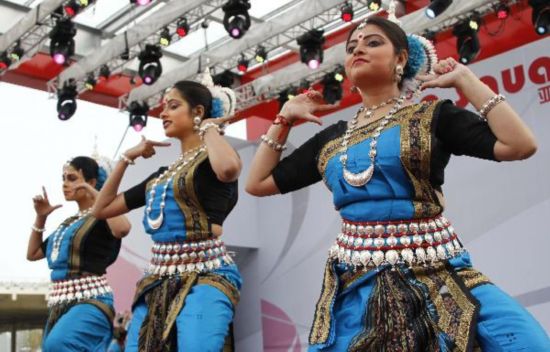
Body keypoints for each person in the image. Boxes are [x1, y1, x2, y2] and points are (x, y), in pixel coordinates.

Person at [245, 14, 550, 351]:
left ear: (401, 59)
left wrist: (466, 81)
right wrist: (283, 119)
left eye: (373, 42)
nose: (358, 49)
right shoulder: (331, 140)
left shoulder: (432, 117)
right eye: (351, 48)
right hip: (359, 286)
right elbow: (257, 183)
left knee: (527, 342)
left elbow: (520, 145)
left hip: (437, 271)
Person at [92, 75, 242, 351]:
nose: (162, 113)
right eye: (163, 106)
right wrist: (126, 158)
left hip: (206, 274)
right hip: (157, 280)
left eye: (173, 106)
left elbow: (229, 169)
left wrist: (209, 129)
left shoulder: (213, 159)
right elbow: (101, 209)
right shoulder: (161, 177)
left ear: (197, 111)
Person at [27, 156, 131, 351]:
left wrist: (95, 194)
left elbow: (123, 228)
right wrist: (41, 217)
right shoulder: (67, 225)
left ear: (91, 182)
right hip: (60, 305)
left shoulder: (102, 216)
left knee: (57, 344)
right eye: (63, 178)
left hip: (91, 301)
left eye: (72, 178)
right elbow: (32, 254)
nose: (65, 184)